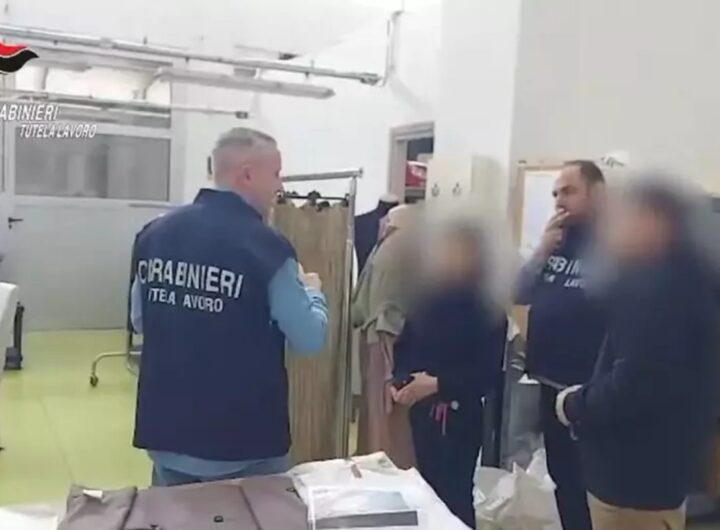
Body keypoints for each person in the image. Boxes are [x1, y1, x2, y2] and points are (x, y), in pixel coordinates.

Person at [130, 127, 329, 487]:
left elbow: (140, 320)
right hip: (243, 441)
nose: (280, 185)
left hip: (167, 431)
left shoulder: (154, 235)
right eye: (276, 173)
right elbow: (310, 338)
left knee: (173, 514)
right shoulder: (266, 247)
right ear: (247, 175)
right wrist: (313, 292)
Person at [556, 177, 720, 530]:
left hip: (633, 478)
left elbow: (635, 383)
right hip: (660, 470)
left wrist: (573, 405)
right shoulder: (686, 277)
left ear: (654, 222)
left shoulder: (658, 290)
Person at [392, 221, 506, 528]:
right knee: (425, 492)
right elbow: (405, 347)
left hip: (459, 417)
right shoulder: (427, 300)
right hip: (422, 413)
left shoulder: (488, 310)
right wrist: (400, 379)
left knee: (454, 496)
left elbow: (487, 375)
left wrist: (438, 384)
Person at [514, 160, 606, 530]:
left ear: (596, 193)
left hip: (588, 390)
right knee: (562, 480)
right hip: (548, 383)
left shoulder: (613, 244)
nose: (559, 200)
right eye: (555, 193)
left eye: (569, 191)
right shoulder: (557, 239)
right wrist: (540, 251)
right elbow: (517, 292)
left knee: (589, 488)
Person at [351, 204, 419, 469]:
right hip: (388, 337)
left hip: (375, 335)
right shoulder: (404, 246)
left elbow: (359, 304)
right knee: (388, 419)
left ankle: (376, 467)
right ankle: (389, 471)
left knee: (376, 415)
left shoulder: (385, 246)